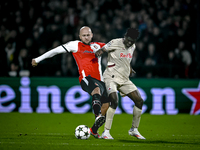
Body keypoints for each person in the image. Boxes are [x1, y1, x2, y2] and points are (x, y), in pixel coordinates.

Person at [31, 26, 110, 139]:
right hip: (86, 78)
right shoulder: (75, 44)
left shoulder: (98, 46)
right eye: (84, 35)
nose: (86, 37)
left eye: (88, 35)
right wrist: (38, 59)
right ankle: (97, 115)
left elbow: (114, 46)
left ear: (92, 35)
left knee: (107, 105)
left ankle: (93, 130)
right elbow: (56, 50)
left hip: (100, 80)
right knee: (96, 90)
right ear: (79, 36)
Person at [95, 28, 145, 140]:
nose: (129, 43)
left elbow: (127, 60)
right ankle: (106, 132)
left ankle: (134, 129)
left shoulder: (133, 46)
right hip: (111, 77)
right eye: (128, 40)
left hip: (124, 79)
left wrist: (130, 69)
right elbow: (103, 49)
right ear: (125, 36)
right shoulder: (115, 42)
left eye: (132, 41)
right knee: (114, 100)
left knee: (139, 101)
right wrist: (100, 52)